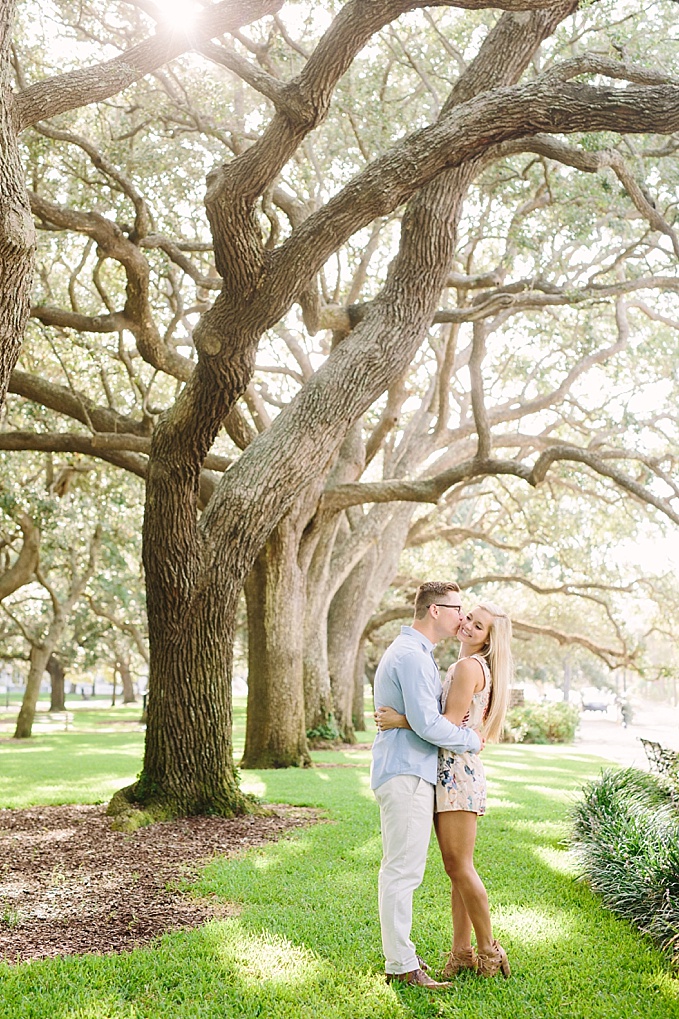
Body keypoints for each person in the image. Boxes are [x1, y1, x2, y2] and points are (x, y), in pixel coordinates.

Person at [376, 601, 513, 980]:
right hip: (449, 769)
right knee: (457, 868)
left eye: (478, 625)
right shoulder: (465, 666)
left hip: (456, 772)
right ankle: (462, 951)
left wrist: (400, 719)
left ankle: (488, 950)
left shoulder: (468, 667)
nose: (467, 625)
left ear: (488, 640)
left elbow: (446, 724)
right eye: (468, 617)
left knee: (459, 866)